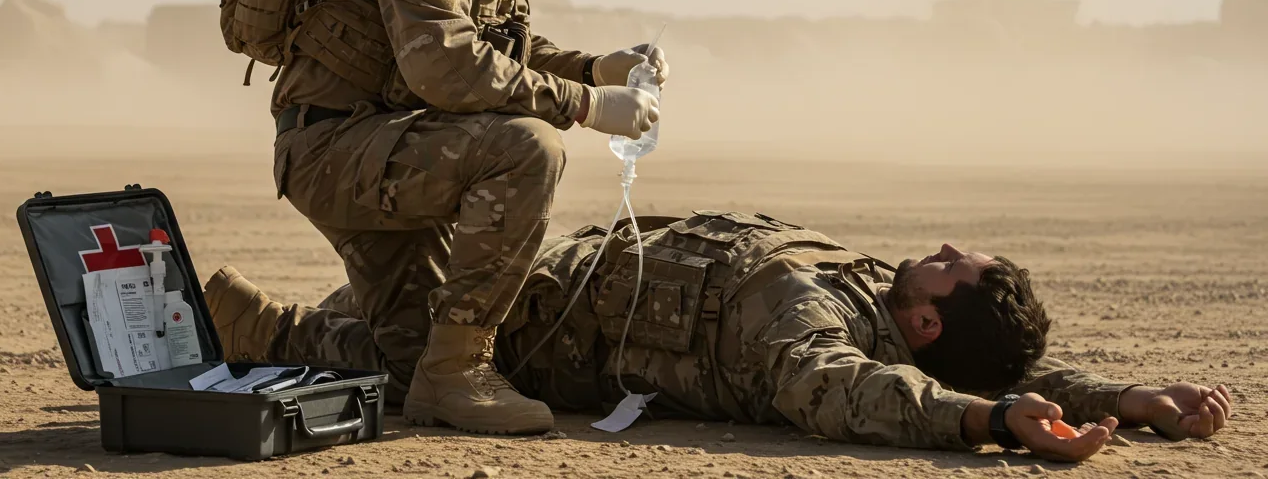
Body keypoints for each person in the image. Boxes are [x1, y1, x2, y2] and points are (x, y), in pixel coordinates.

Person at [237, 0, 669, 436]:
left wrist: (594, 69)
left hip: (394, 146)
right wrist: (586, 107)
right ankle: (459, 374)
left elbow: (503, 48)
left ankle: (258, 329)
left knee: (403, 367)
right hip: (339, 149)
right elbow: (446, 66)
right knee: (527, 148)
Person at [204, 211, 1232, 463]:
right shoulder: (880, 310)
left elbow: (853, 395)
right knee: (370, 297)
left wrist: (992, 422)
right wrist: (1118, 396)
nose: (952, 246)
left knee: (344, 344)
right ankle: (268, 320)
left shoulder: (819, 337)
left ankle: (255, 330)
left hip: (522, 331)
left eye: (963, 271)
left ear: (926, 320)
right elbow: (1003, 361)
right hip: (539, 271)